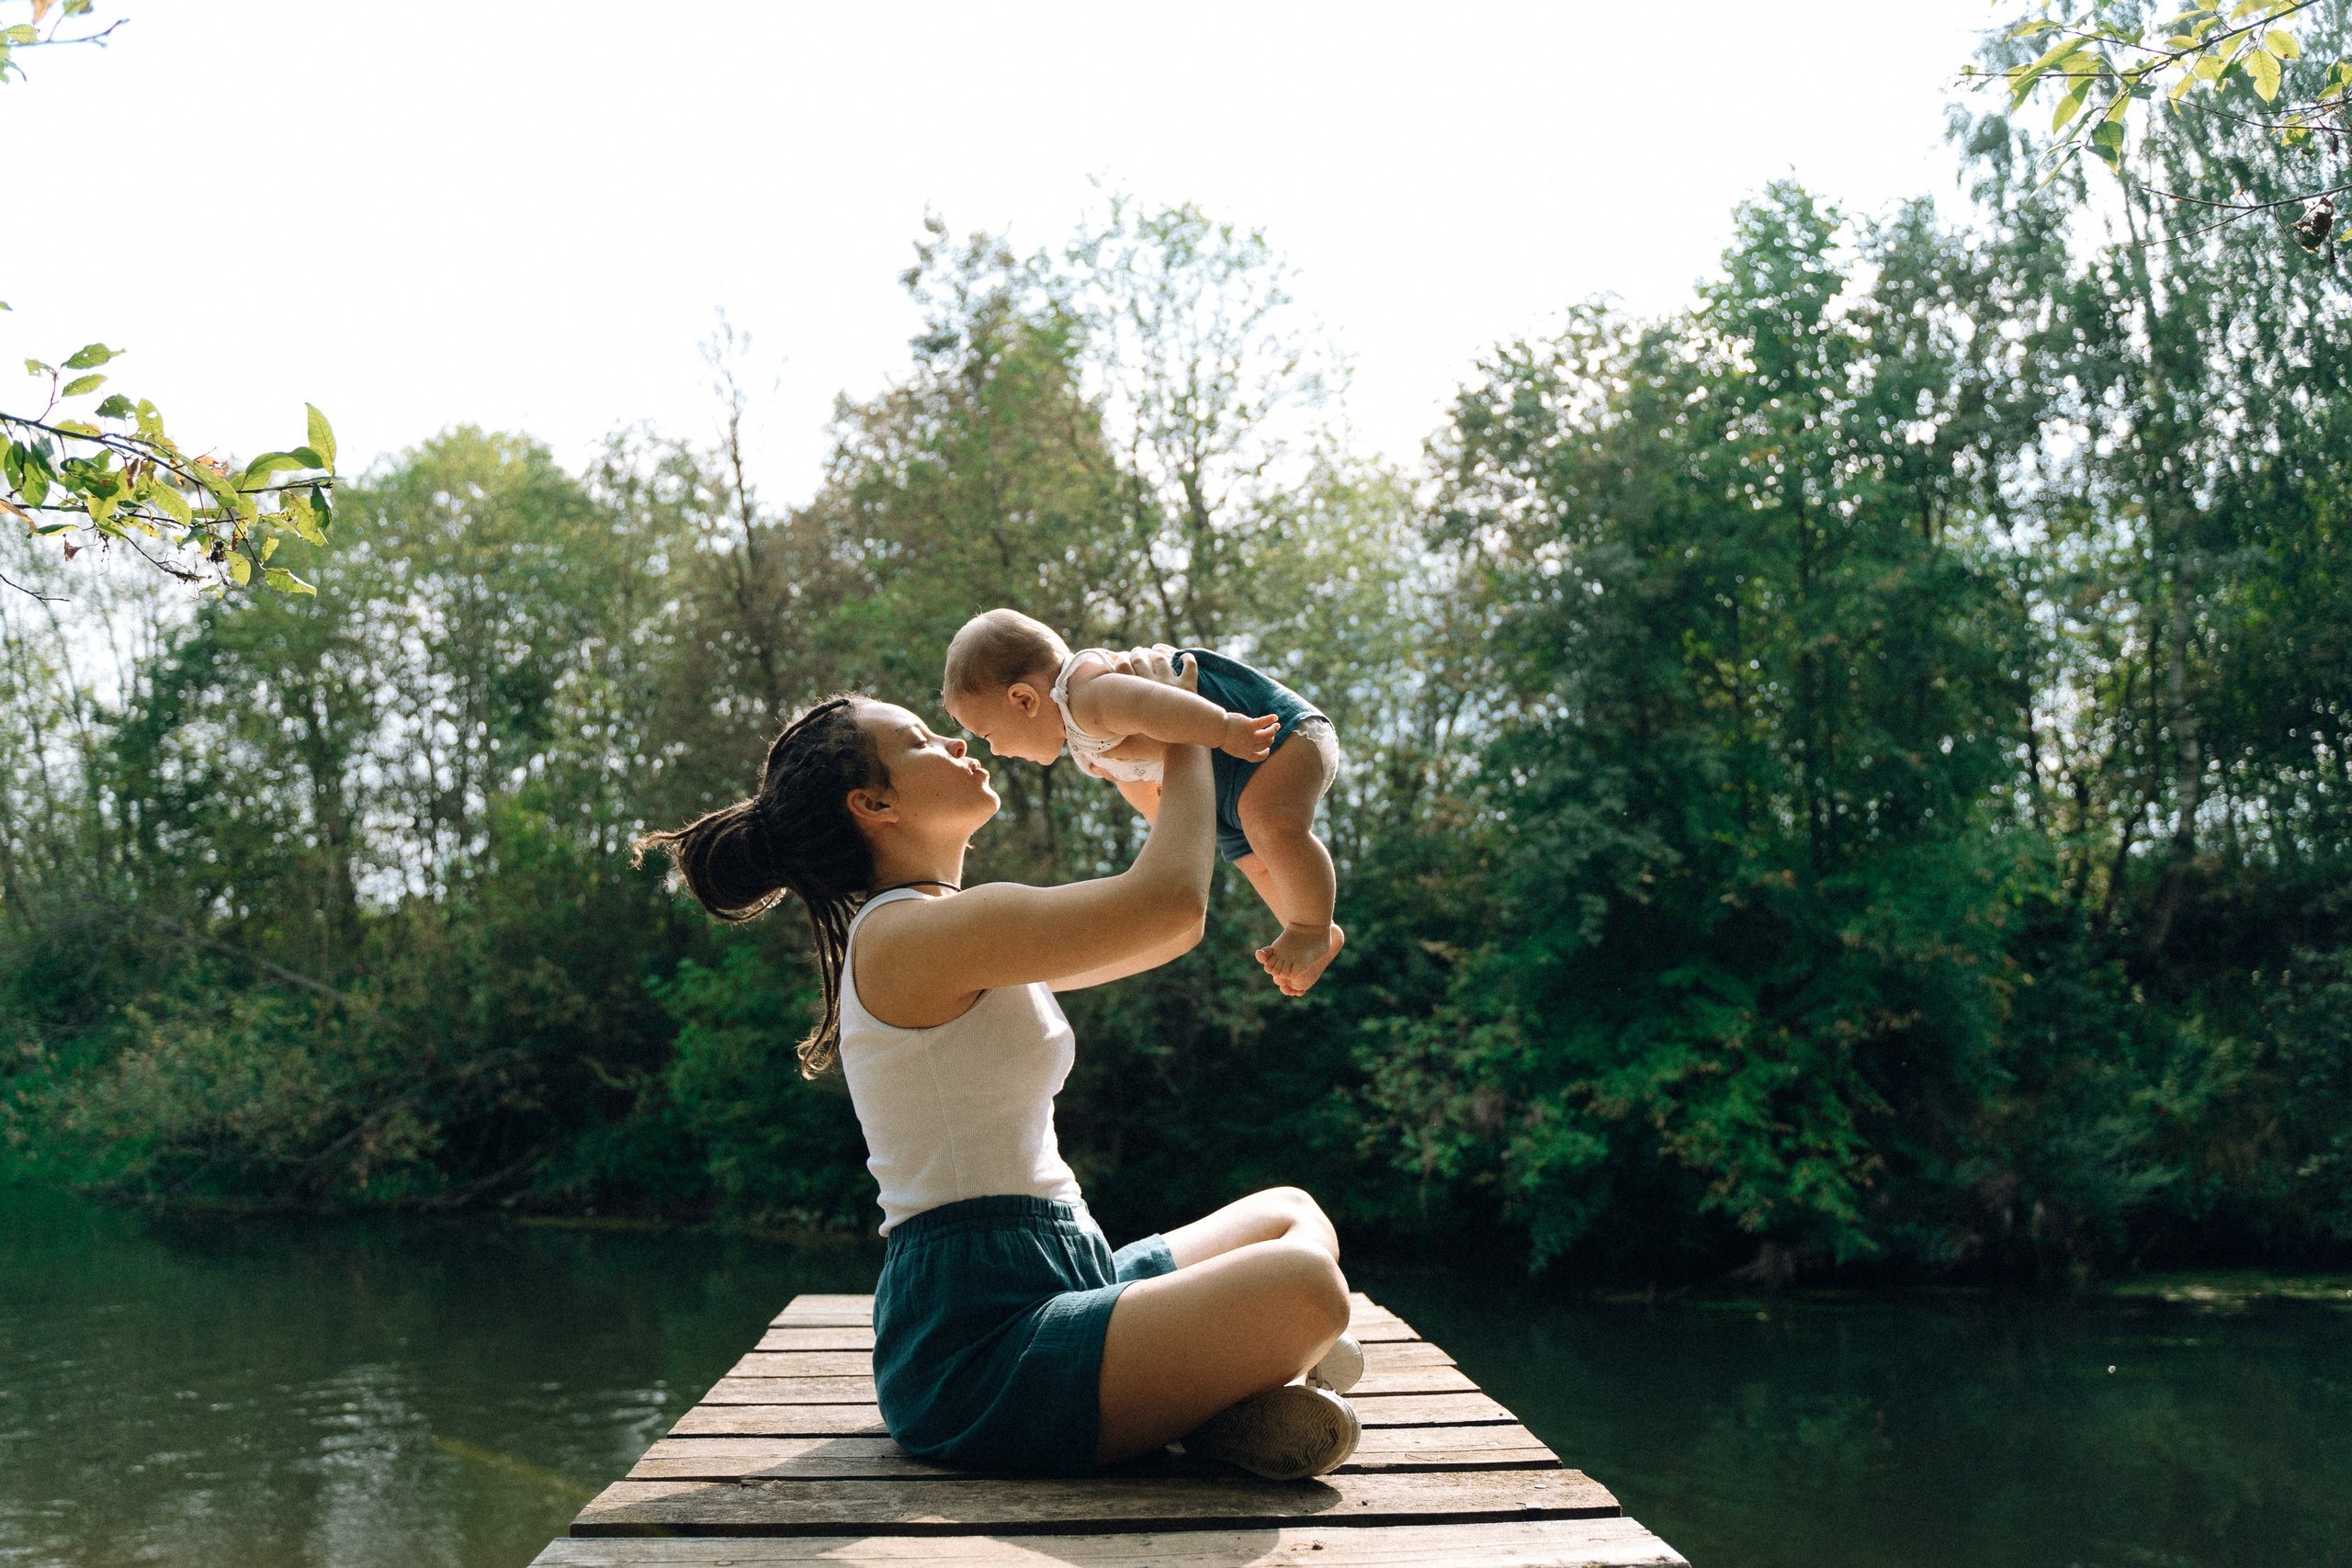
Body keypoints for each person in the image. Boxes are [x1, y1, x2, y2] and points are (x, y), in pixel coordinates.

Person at [632, 692, 1365, 1478]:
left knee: (1290, 1211)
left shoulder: (952, 925)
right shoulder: (907, 935)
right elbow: (1170, 904)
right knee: (1307, 1288)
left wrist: (1164, 746)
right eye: (920, 740)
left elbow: (1168, 928)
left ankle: (1208, 1407)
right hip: (977, 1345)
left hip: (1066, 1267)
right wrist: (1183, 725)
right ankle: (1218, 1394)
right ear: (874, 802)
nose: (954, 740)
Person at [941, 609, 1346, 997]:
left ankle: (1309, 928)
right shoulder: (1084, 746)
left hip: (1273, 735)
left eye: (989, 733)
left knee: (1271, 826)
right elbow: (1139, 785)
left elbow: (1155, 705)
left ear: (1024, 699)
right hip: (1230, 786)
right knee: (1254, 858)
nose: (994, 749)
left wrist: (1223, 729)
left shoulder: (1085, 694)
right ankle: (1313, 927)